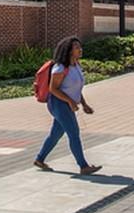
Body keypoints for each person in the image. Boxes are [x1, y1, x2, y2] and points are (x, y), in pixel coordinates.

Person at [33, 36, 101, 175]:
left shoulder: (76, 66)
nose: (80, 49)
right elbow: (53, 89)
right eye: (76, 47)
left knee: (55, 134)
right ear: (69, 51)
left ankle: (39, 159)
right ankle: (83, 166)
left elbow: (75, 88)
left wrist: (84, 103)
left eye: (80, 47)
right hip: (58, 104)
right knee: (74, 133)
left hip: (67, 104)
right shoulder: (60, 68)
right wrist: (70, 101)